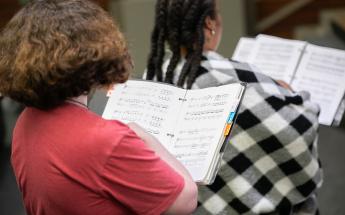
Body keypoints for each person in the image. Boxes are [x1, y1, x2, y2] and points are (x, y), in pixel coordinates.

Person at [0, 0, 198, 214]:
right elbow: (185, 200)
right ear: (96, 54)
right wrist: (143, 135)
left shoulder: (25, 122)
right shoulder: (106, 140)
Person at [145, 0, 323, 214]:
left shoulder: (153, 77)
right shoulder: (236, 77)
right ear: (210, 24)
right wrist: (293, 96)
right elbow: (297, 130)